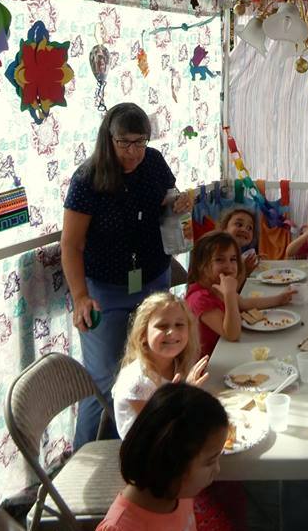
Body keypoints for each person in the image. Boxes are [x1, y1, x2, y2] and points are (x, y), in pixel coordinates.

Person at [61, 102, 193, 449]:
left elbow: (168, 199)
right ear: (109, 139)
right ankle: (88, 455)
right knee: (104, 380)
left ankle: (149, 448)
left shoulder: (154, 162)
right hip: (104, 291)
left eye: (140, 142)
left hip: (153, 280)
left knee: (155, 366)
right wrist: (80, 297)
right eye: (124, 143)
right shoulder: (88, 179)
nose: (133, 152)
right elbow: (71, 245)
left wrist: (180, 202)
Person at [97, 383, 228, 531]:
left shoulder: (179, 492)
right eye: (210, 461)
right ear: (173, 464)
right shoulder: (120, 527)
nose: (217, 469)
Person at [112, 292, 210, 438]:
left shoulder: (179, 363)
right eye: (162, 326)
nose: (172, 332)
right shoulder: (137, 382)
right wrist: (186, 394)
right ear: (143, 334)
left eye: (179, 325)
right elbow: (159, 431)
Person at [186, 231, 294, 356]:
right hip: (212, 361)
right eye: (219, 259)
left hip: (227, 350)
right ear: (201, 266)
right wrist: (229, 295)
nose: (228, 266)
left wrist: (279, 299)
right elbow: (232, 334)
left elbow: (244, 303)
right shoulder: (200, 299)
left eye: (233, 259)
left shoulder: (216, 286)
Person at [218, 205, 260, 282]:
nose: (244, 230)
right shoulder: (220, 253)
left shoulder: (237, 254)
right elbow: (228, 287)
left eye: (249, 228)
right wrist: (245, 271)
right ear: (224, 228)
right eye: (239, 224)